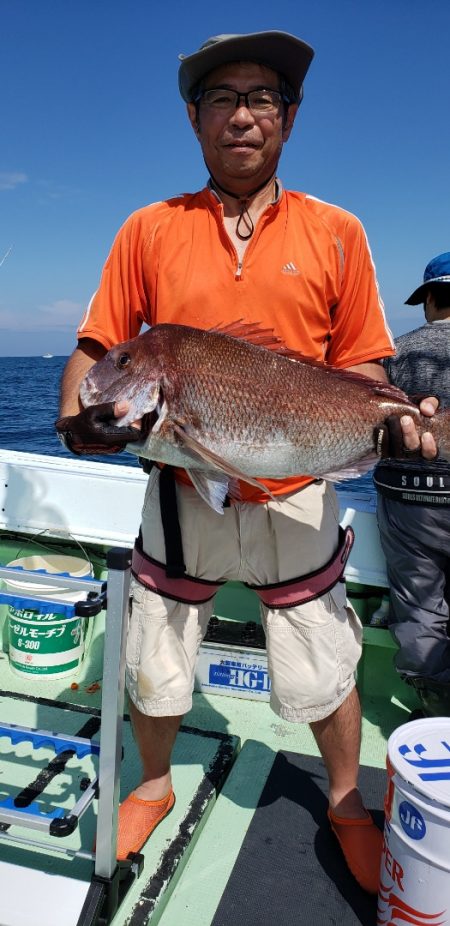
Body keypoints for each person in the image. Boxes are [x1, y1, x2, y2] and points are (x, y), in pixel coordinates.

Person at [55, 32, 438, 893]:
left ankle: (346, 800)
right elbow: (98, 347)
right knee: (155, 651)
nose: (242, 115)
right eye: (222, 98)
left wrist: (393, 423)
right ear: (194, 120)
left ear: (289, 120)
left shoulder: (337, 230)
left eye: (262, 98)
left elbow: (364, 365)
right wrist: (75, 419)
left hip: (297, 490)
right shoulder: (148, 228)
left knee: (324, 658)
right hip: (181, 489)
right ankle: (153, 783)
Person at [374, 252, 450, 717]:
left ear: (428, 300)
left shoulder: (396, 352)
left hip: (410, 500)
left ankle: (436, 708)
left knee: (420, 605)